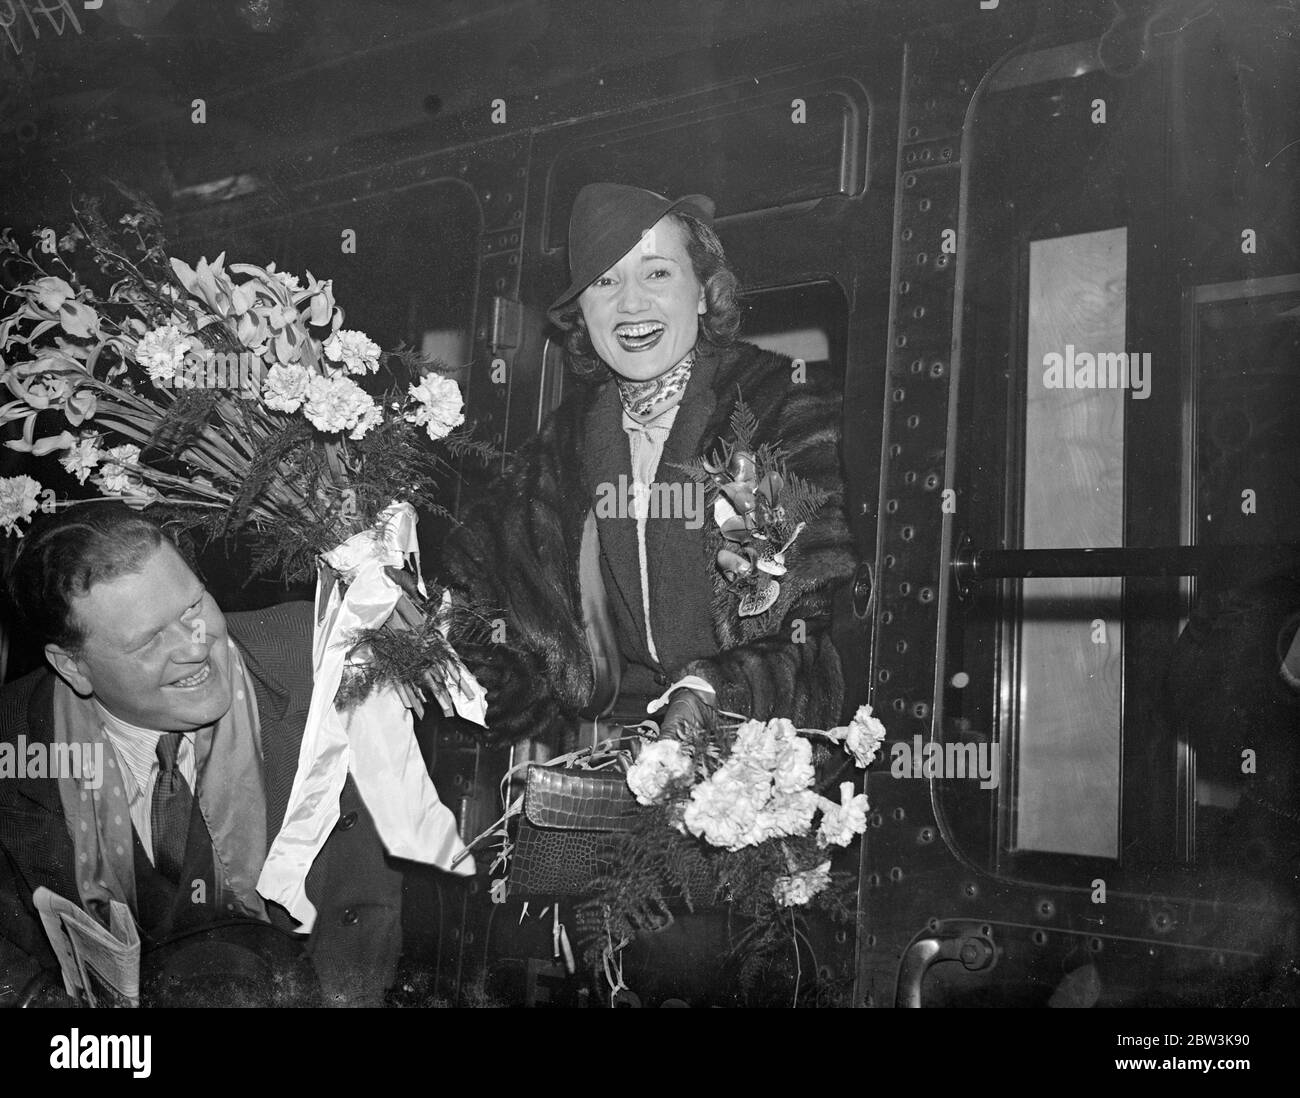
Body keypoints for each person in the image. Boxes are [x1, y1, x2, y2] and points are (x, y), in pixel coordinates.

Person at [441, 181, 861, 746]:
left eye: (657, 273)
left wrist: (710, 695)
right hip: (609, 765)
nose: (631, 303)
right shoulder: (561, 447)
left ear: (705, 292)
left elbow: (819, 624)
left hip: (760, 753)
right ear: (582, 313)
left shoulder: (782, 409)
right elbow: (517, 651)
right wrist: (432, 643)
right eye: (605, 282)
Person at [0, 503, 402, 1006]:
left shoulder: (323, 654)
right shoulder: (12, 737)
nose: (195, 647)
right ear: (72, 667)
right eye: (148, 640)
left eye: (193, 606)